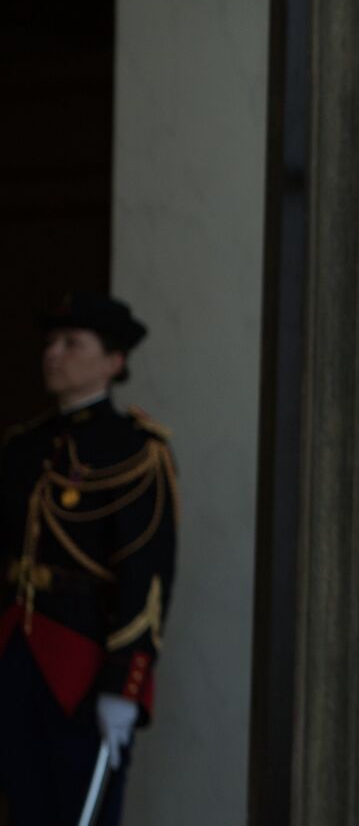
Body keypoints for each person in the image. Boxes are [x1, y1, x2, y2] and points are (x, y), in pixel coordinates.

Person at [0, 294, 177, 826]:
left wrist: (124, 687)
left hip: (82, 663)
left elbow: (146, 574)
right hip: (14, 652)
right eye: (51, 343)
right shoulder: (23, 446)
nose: (54, 354)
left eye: (72, 344)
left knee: (83, 809)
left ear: (113, 362)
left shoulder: (134, 450)